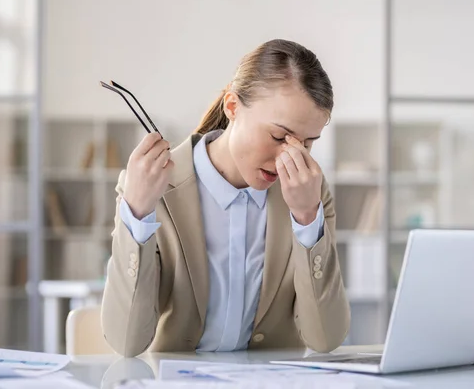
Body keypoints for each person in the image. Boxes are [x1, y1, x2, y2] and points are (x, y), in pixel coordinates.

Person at [101, 39, 350, 357]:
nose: (291, 158)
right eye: (278, 136)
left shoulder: (310, 192)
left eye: (308, 143)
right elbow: (126, 342)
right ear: (232, 107)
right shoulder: (152, 188)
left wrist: (306, 218)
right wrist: (136, 213)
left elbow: (326, 338)